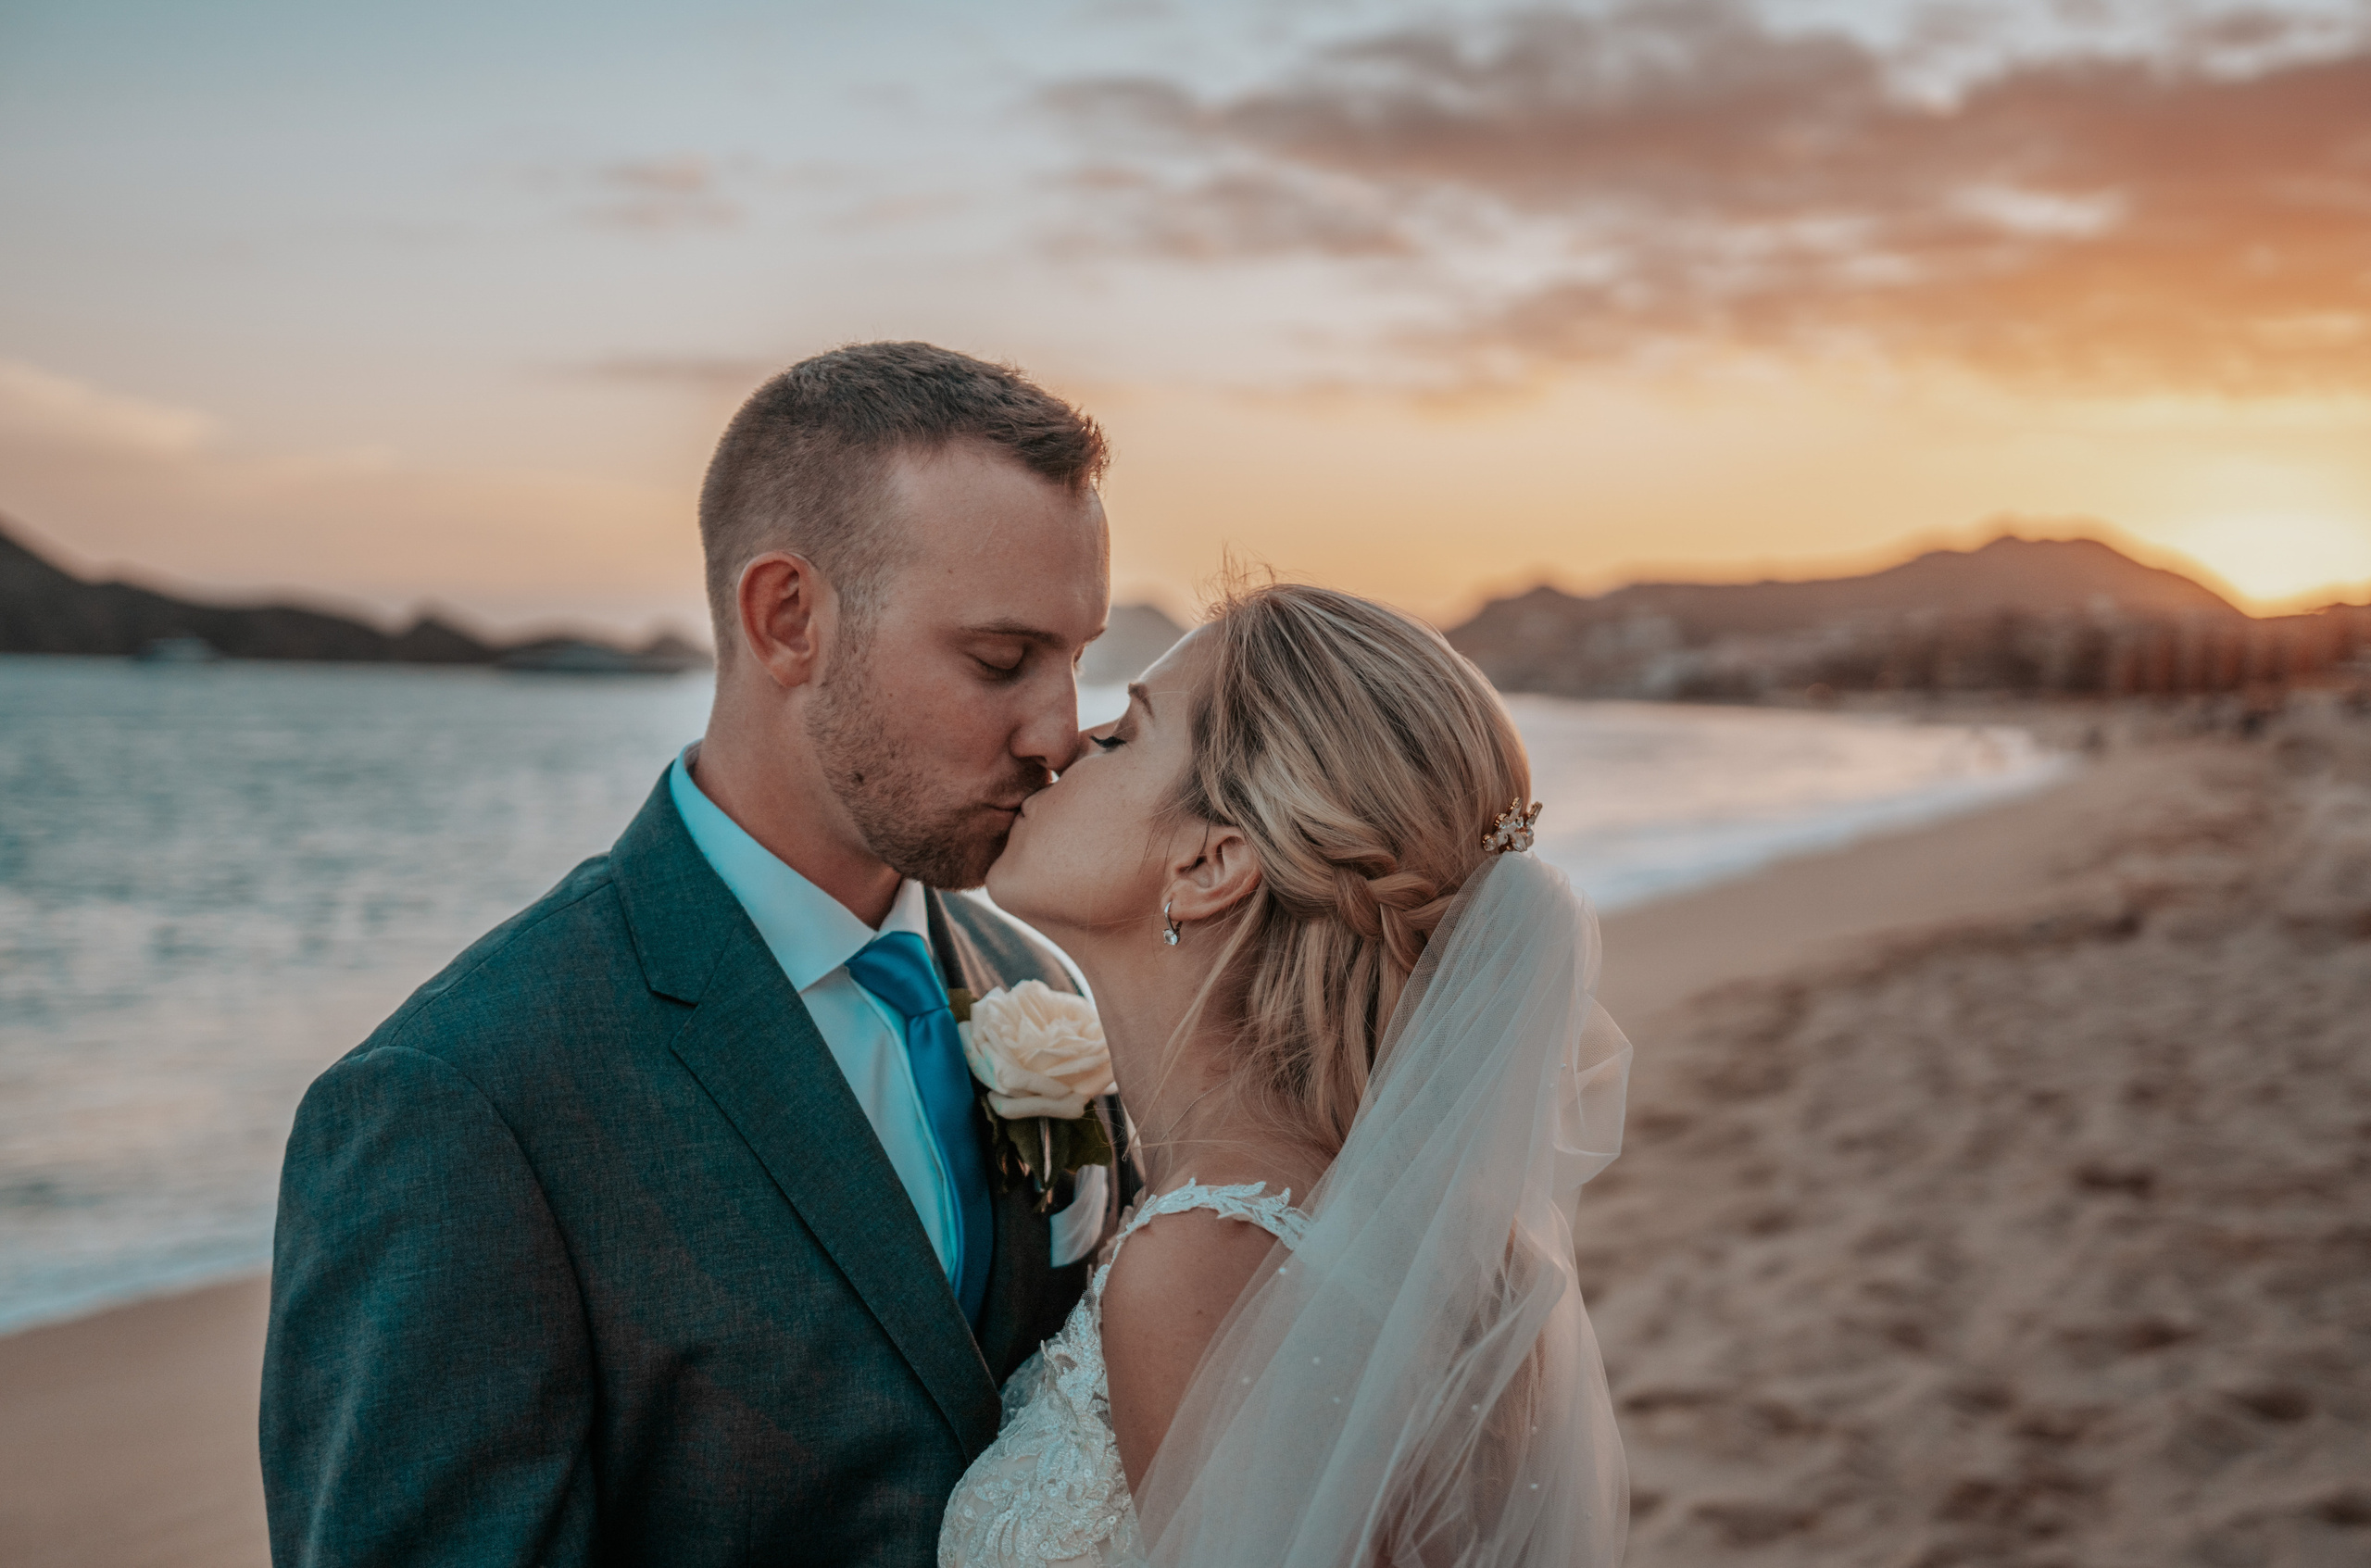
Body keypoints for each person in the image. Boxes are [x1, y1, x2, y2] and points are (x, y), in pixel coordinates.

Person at [261, 342, 1126, 1568]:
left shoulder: (1046, 991)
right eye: (1000, 660)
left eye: (1079, 656)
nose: (1058, 731)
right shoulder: (462, 1099)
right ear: (788, 620)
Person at [941, 583, 1633, 1568]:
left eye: (1123, 737)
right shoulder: (1350, 1222)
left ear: (1210, 862)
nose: (1064, 740)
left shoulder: (1203, 1261)